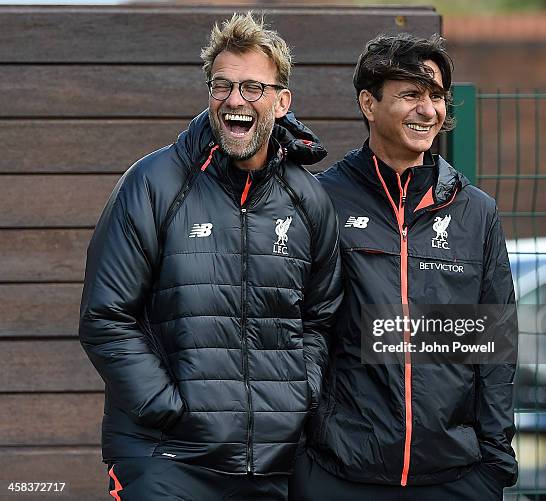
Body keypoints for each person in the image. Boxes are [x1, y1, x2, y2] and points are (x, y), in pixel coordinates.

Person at [79, 12, 342, 500]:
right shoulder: (153, 184)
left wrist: (294, 399)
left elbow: (319, 318)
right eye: (222, 86)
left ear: (282, 102)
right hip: (166, 458)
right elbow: (105, 315)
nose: (234, 100)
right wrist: (168, 409)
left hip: (270, 463)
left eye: (252, 88)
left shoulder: (309, 201)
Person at [290, 34, 517, 500]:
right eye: (412, 94)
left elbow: (494, 346)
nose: (429, 110)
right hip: (340, 474)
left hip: (456, 476)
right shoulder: (321, 201)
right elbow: (296, 326)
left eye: (436, 96)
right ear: (369, 103)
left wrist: (494, 462)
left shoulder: (477, 212)